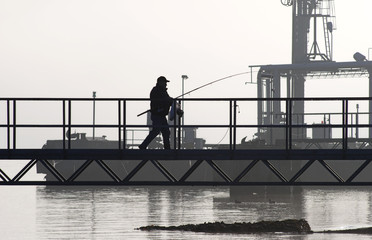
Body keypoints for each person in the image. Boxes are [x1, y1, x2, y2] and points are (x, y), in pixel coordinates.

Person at [139, 76, 173, 149]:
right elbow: (164, 99)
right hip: (157, 114)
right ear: (160, 82)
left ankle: (167, 148)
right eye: (165, 82)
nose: (166, 84)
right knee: (156, 131)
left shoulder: (161, 90)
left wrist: (169, 100)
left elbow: (166, 99)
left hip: (161, 115)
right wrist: (169, 100)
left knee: (166, 131)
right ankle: (143, 145)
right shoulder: (157, 90)